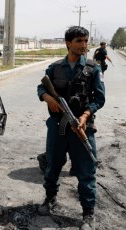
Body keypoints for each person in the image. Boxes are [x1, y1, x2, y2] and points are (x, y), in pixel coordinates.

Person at [36, 26, 105, 230]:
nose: (84, 45)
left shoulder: (93, 69)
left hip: (82, 128)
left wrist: (85, 115)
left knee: (86, 171)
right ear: (68, 43)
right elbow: (41, 88)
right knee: (53, 165)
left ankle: (87, 213)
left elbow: (100, 98)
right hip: (58, 126)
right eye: (79, 41)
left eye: (86, 41)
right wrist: (48, 98)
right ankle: (50, 198)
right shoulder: (55, 68)